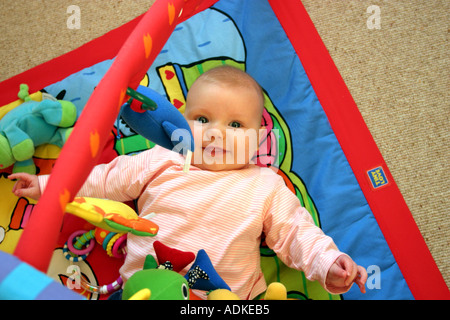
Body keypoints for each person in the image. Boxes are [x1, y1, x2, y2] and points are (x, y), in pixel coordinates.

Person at [9, 65, 367, 300]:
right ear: (182, 121)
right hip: (145, 291)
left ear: (259, 140)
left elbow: (296, 233)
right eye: (202, 118)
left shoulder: (266, 186)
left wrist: (328, 263)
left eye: (235, 125)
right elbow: (104, 180)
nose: (215, 132)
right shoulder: (164, 158)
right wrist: (46, 185)